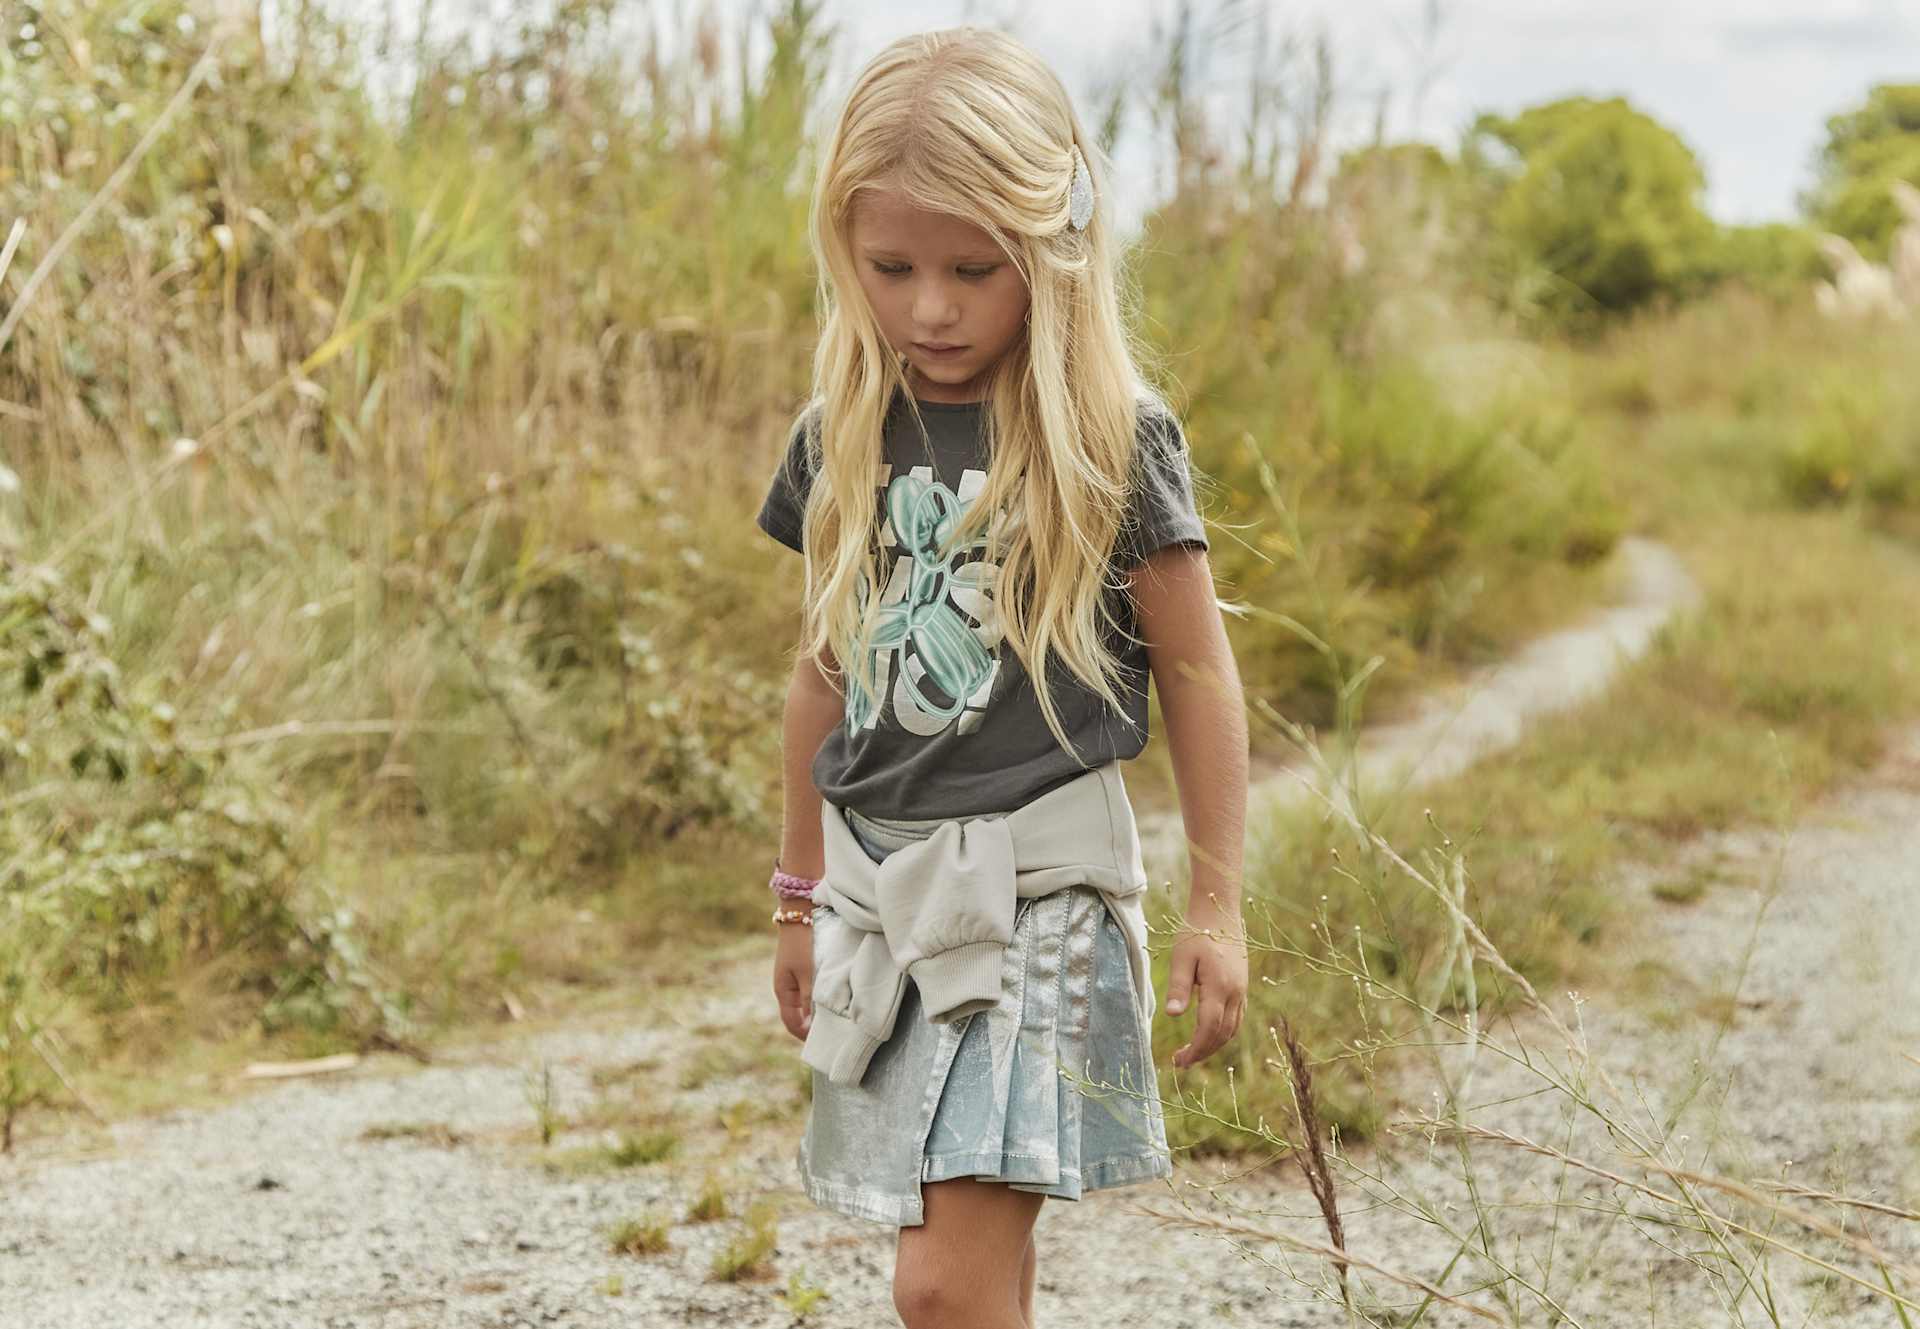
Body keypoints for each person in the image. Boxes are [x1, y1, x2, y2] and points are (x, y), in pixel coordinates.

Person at [753, 26, 1249, 1329]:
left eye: (974, 269)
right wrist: (798, 899)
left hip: (1038, 897)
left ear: (1053, 244)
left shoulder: (1111, 440)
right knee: (974, 1279)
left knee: (939, 1287)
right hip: (881, 899)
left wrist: (1216, 905)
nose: (930, 308)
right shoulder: (842, 436)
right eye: (893, 268)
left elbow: (1198, 675)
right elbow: (821, 680)